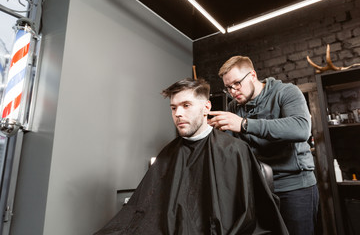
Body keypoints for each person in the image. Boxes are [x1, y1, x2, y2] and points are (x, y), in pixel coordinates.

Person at [95, 78, 288, 235]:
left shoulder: (235, 150)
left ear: (206, 107)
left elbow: (253, 215)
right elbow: (143, 210)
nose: (178, 114)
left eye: (186, 105)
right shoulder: (168, 154)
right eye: (173, 107)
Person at [208, 56, 319, 235]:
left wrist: (245, 124)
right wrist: (213, 133)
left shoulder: (286, 92)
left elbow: (301, 129)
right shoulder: (234, 107)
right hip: (260, 188)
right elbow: (231, 147)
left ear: (252, 75)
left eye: (237, 83)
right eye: (228, 87)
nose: (233, 91)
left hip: (295, 187)